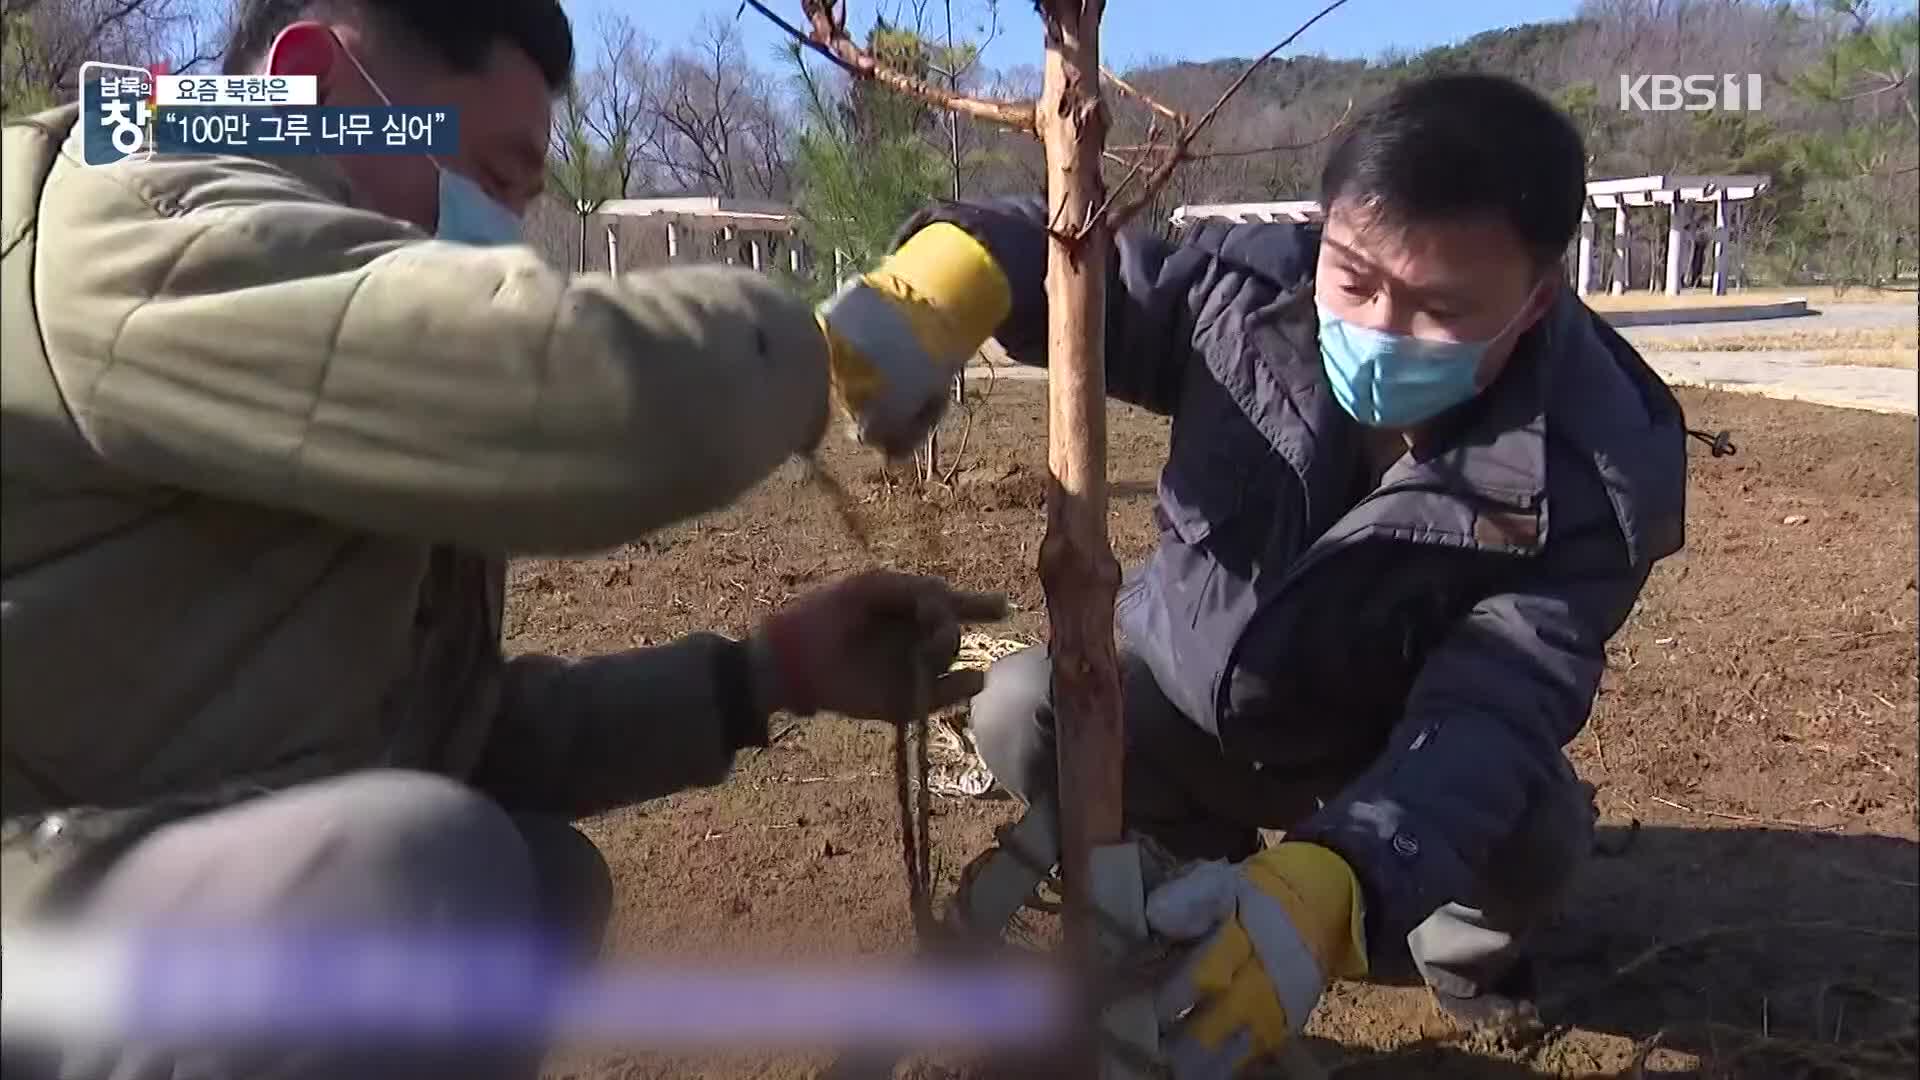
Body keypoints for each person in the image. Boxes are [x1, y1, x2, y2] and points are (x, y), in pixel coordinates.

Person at [1, 1, 1005, 1075]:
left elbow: (442, 738)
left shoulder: (299, 359)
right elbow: (586, 397)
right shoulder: (141, 203)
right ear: (312, 88)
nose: (505, 239)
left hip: (104, 875)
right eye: (489, 176)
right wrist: (824, 352)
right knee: (421, 886)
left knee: (532, 880)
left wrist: (768, 675)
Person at [888, 74, 1688, 1076]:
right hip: (1193, 687)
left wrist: (1341, 878)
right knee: (1025, 706)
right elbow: (1096, 283)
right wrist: (963, 265)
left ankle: (1443, 955)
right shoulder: (1252, 296)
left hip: (1387, 746)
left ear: (1536, 303)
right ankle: (1199, 886)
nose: (1380, 328)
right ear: (1329, 229)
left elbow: (1493, 704)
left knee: (1527, 828)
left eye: (1438, 308)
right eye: (1355, 279)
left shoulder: (1596, 471)